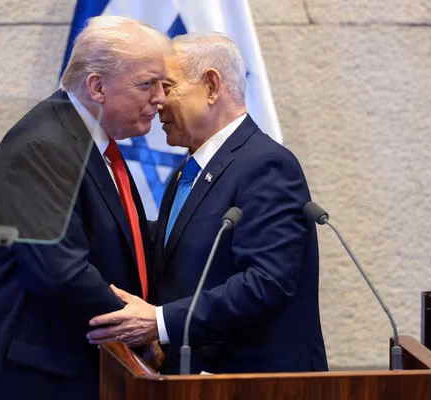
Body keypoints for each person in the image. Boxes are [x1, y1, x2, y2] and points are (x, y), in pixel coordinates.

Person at [0, 16, 169, 400]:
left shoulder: (88, 142)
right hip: (28, 381)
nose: (161, 98)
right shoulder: (44, 145)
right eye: (147, 84)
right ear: (97, 86)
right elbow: (61, 271)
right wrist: (136, 326)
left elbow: (118, 238)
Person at [87, 32, 328, 375]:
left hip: (255, 382)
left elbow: (267, 282)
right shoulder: (188, 171)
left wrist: (160, 322)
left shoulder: (266, 165)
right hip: (193, 378)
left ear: (212, 86)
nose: (157, 101)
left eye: (167, 87)